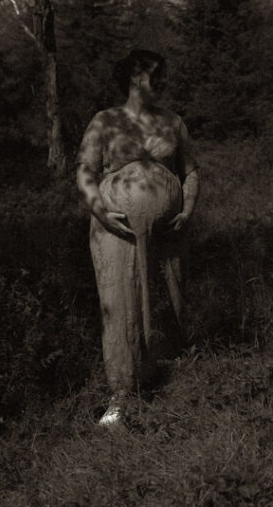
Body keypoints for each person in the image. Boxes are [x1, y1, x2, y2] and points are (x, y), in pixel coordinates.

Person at [75, 49, 199, 426]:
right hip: (117, 232)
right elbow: (84, 170)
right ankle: (122, 394)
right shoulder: (105, 121)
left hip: (166, 231)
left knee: (169, 298)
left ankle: (175, 380)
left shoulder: (173, 122)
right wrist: (100, 209)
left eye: (161, 75)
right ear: (131, 78)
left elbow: (191, 171)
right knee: (121, 304)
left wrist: (188, 206)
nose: (159, 82)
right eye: (152, 75)